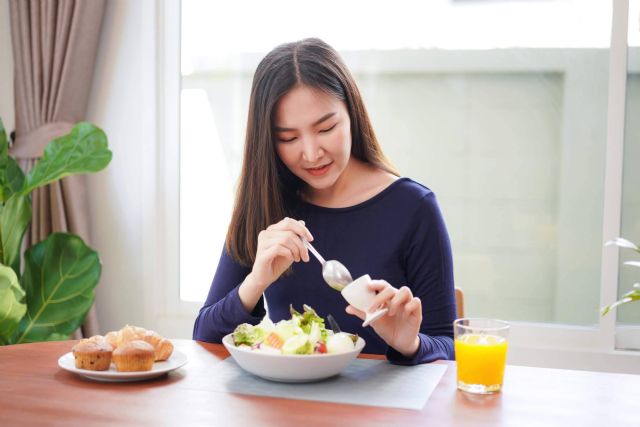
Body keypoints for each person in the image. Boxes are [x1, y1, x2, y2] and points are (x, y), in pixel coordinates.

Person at [193, 38, 456, 364]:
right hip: (286, 407)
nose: (311, 153)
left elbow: (448, 346)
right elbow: (205, 337)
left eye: (326, 128)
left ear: (352, 113)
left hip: (381, 412)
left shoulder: (413, 208)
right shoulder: (265, 204)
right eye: (288, 138)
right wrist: (256, 280)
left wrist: (410, 343)